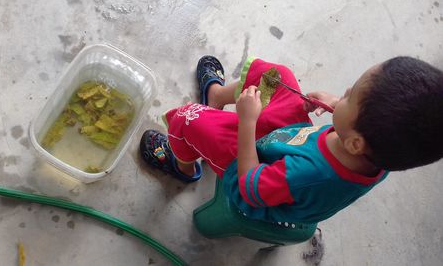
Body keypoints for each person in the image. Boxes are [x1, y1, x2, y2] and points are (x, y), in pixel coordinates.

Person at [139, 55, 443, 224]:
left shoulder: (308, 176)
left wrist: (248, 122)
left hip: (254, 171)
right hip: (291, 141)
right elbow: (357, 134)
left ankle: (184, 166)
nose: (345, 92)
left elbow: (251, 188)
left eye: (350, 96)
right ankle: (215, 96)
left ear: (355, 142)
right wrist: (336, 105)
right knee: (276, 75)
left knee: (189, 119)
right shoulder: (382, 149)